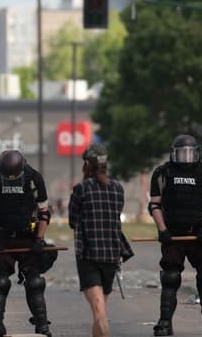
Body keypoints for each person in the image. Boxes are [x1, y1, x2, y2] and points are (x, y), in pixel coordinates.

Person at [148, 134, 202, 336]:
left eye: (190, 153)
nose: (186, 157)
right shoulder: (162, 173)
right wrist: (162, 230)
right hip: (173, 235)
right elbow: (154, 204)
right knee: (170, 278)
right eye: (182, 153)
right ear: (174, 154)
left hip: (198, 233)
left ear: (197, 153)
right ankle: (164, 323)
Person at [0, 149, 54, 337]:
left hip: (28, 235)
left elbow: (44, 213)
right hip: (2, 236)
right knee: (0, 282)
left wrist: (39, 240)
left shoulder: (33, 178)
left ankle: (42, 325)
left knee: (34, 281)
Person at [68, 143, 133, 337]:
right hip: (112, 256)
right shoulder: (117, 189)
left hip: (89, 256)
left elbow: (73, 221)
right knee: (100, 311)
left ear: (87, 164)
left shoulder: (81, 189)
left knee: (99, 314)